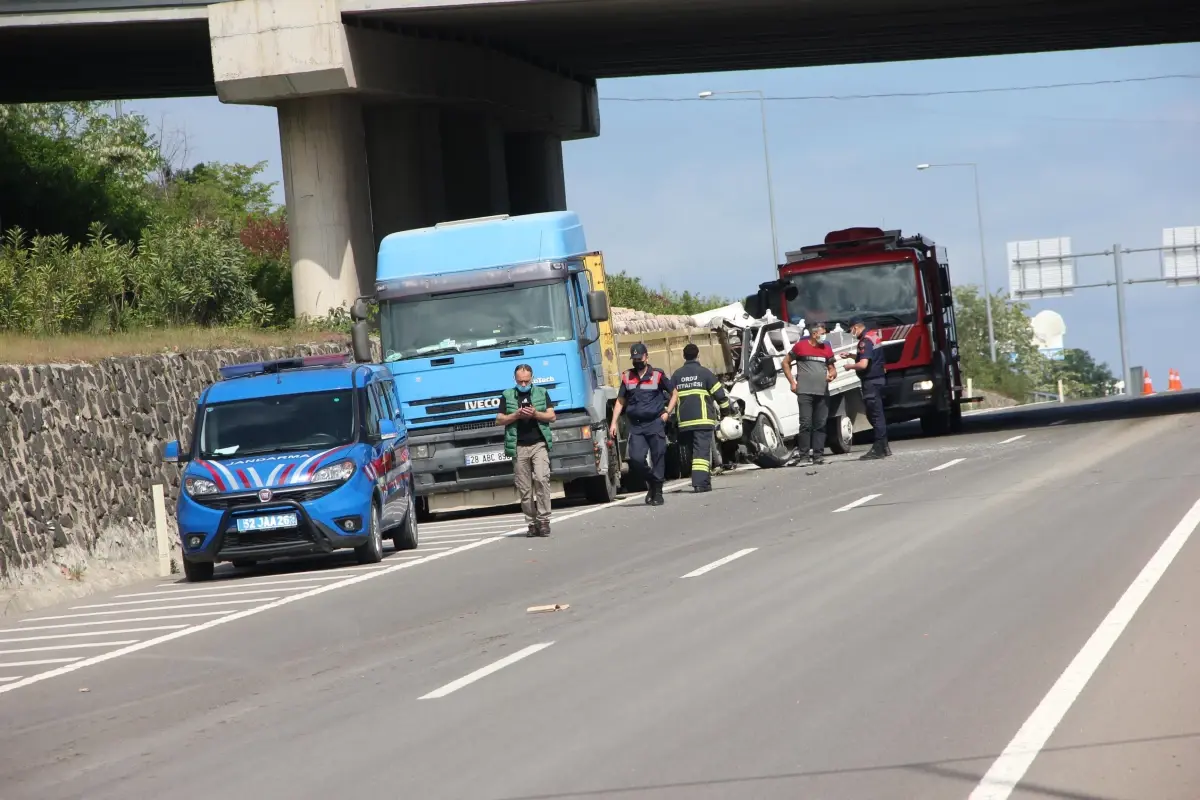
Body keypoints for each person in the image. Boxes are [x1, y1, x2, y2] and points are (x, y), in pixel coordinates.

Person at [608, 342, 677, 505]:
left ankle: (658, 492)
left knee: (658, 456)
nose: (637, 361)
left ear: (646, 357)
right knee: (636, 459)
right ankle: (652, 481)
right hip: (637, 426)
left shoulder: (657, 375)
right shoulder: (627, 377)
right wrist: (613, 423)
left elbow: (674, 393)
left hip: (655, 422)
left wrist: (668, 412)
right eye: (634, 359)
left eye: (640, 358)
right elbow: (620, 401)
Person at [495, 363, 556, 536]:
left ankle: (544, 520)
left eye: (526, 381)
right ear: (515, 379)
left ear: (532, 379)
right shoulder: (507, 395)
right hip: (518, 446)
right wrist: (516, 415)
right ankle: (531, 523)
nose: (523, 385)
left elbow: (552, 416)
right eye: (520, 381)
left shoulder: (542, 393)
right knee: (525, 488)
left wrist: (535, 413)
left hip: (538, 444)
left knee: (542, 479)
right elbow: (499, 420)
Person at [670, 342, 732, 492]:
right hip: (702, 420)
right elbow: (721, 396)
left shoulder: (677, 375)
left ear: (684, 356)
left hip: (684, 422)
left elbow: (668, 396)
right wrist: (726, 413)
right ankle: (700, 483)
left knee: (693, 453)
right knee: (701, 453)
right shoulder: (705, 373)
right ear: (698, 355)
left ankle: (701, 480)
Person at [781, 320, 837, 465]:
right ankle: (804, 456)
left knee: (820, 424)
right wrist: (792, 382)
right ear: (814, 334)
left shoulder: (826, 348)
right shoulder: (800, 346)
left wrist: (832, 374)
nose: (824, 336)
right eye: (822, 333)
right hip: (805, 392)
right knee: (806, 423)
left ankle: (818, 455)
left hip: (822, 392)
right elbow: (785, 363)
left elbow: (832, 368)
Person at [841, 318, 891, 459]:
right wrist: (851, 355)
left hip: (871, 381)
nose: (851, 333)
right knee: (877, 414)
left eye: (851, 330)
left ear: (856, 327)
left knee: (874, 415)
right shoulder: (873, 336)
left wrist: (849, 366)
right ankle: (885, 447)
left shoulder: (865, 341)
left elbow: (863, 364)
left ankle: (879, 448)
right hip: (879, 379)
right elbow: (870, 357)